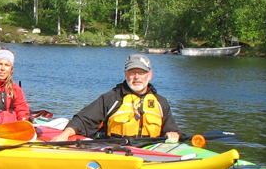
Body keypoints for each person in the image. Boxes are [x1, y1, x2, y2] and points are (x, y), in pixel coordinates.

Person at [51, 53, 181, 143]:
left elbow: (172, 130)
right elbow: (83, 120)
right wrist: (65, 134)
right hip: (117, 148)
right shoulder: (111, 98)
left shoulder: (160, 102)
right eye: (132, 72)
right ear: (126, 74)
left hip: (149, 149)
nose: (137, 77)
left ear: (149, 75)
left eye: (141, 73)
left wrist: (174, 134)